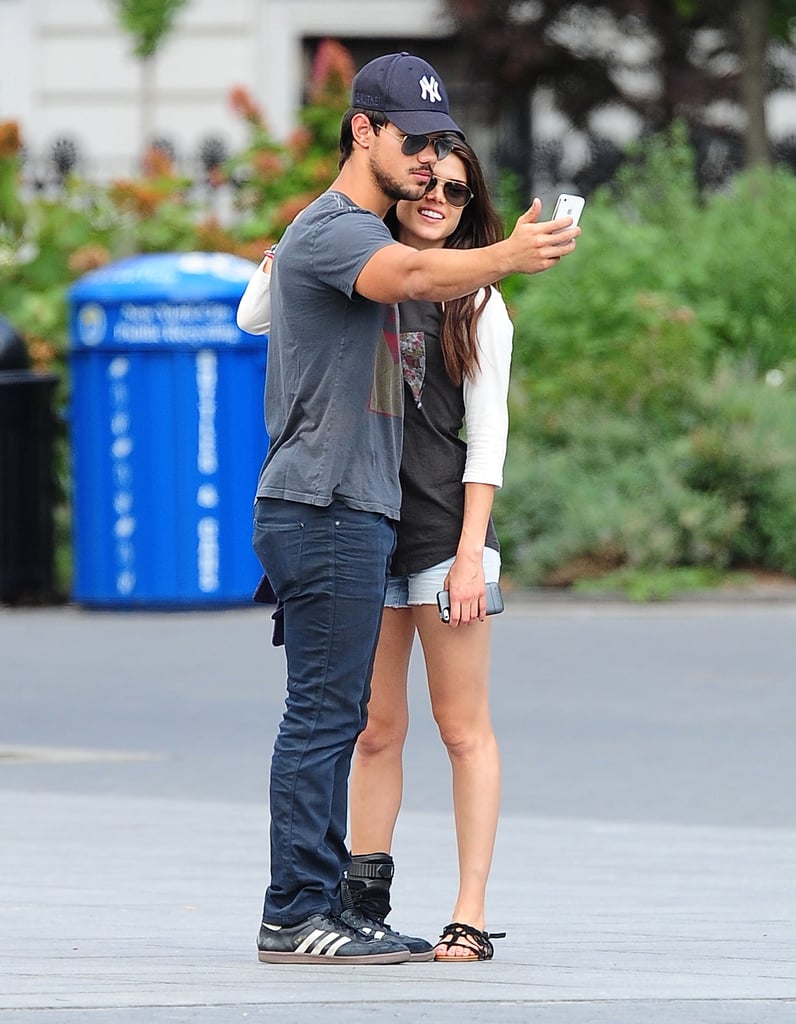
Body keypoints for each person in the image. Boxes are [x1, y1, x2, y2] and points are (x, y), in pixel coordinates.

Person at [242, 50, 580, 966]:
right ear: (364, 132)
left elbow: (425, 314)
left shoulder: (354, 236)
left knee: (343, 717)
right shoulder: (337, 233)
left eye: (442, 151)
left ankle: (332, 905)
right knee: (330, 720)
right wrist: (502, 255)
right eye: (414, 144)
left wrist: (472, 548)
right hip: (326, 507)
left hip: (366, 514)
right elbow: (408, 278)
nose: (430, 166)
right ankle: (296, 910)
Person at [344, 138, 511, 962]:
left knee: (460, 729)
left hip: (447, 539)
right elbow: (253, 317)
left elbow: (488, 442)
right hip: (365, 529)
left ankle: (469, 913)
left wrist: (473, 555)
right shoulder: (355, 273)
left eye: (455, 187)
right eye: (425, 180)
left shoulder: (478, 300)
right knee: (374, 729)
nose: (437, 196)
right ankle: (361, 903)